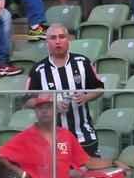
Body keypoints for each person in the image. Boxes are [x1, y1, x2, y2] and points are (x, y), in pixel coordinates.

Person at [27, 23, 107, 155]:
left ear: (68, 40)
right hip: (52, 137)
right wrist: (51, 105)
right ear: (47, 42)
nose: (58, 41)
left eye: (61, 37)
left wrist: (86, 97)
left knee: (87, 167)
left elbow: (100, 89)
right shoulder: (38, 70)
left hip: (83, 135)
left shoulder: (82, 62)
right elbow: (28, 101)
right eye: (53, 38)